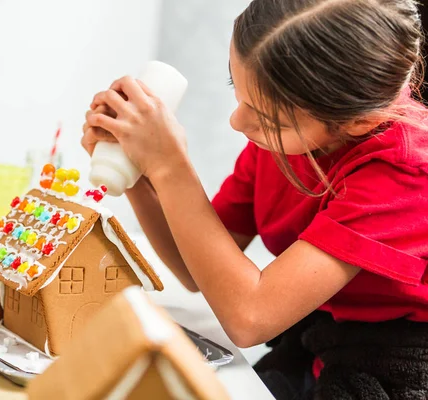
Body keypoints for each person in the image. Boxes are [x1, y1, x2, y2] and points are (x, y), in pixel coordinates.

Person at [82, 0, 428, 398]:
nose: (237, 122)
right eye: (238, 89)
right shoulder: (290, 139)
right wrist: (139, 173)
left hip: (392, 364)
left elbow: (250, 317)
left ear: (358, 121)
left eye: (268, 118)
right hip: (318, 342)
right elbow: (197, 272)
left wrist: (170, 167)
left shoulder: (404, 173)